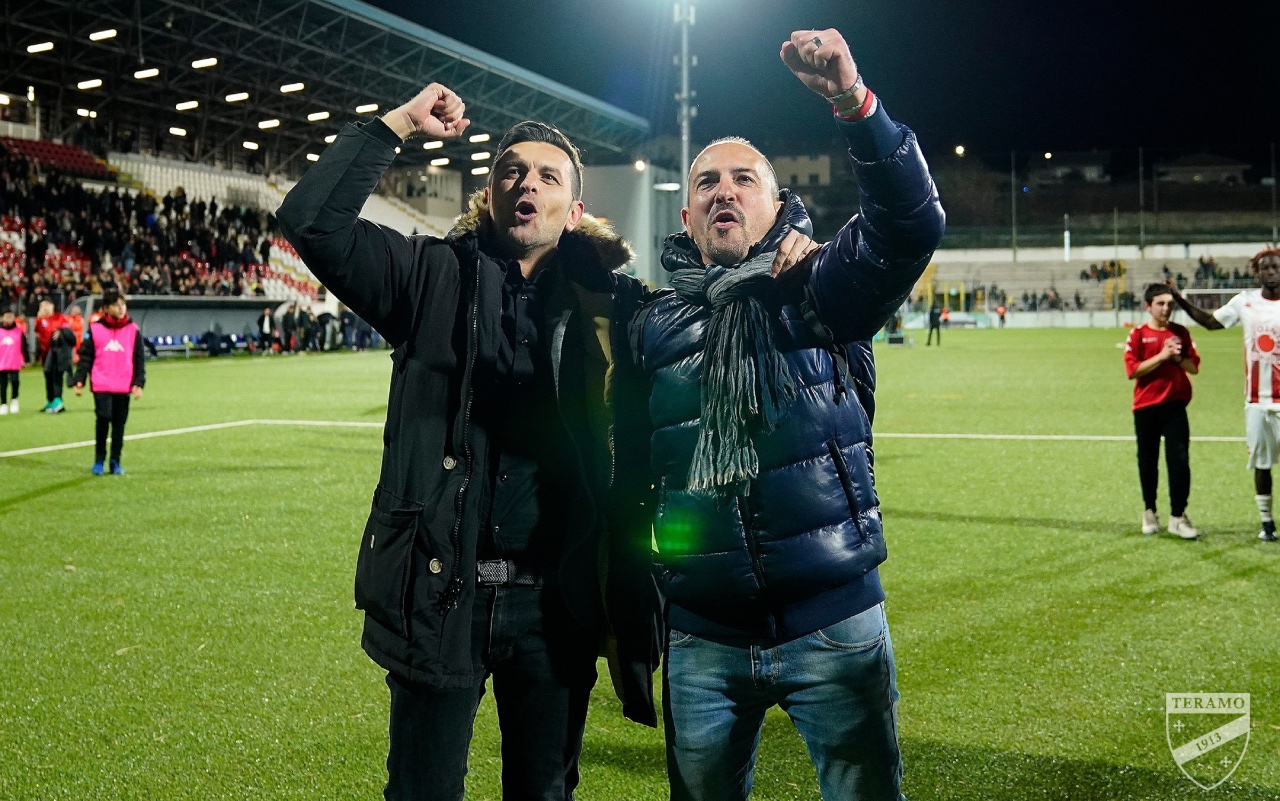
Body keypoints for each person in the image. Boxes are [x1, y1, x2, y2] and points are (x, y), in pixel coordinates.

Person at [275, 83, 770, 800]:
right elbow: (311, 222)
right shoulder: (426, 276)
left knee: (544, 792)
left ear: (575, 211)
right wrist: (398, 123)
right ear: (489, 195)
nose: (526, 183)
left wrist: (786, 243)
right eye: (511, 171)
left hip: (556, 607)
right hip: (440, 590)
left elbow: (719, 307)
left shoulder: (617, 307)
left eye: (546, 176)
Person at [630, 28, 944, 801]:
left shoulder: (821, 286)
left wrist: (853, 101)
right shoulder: (652, 324)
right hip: (702, 638)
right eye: (707, 182)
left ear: (775, 208)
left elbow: (911, 224)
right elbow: (634, 473)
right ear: (686, 214)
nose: (724, 191)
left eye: (744, 179)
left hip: (833, 624)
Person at [1170, 248, 1280, 541]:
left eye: (1276, 266)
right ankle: (1267, 523)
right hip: (1256, 401)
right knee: (1261, 464)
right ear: (1256, 273)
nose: (1271, 271)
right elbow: (1210, 322)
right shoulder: (1245, 301)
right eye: (1265, 267)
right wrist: (1179, 299)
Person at [1124, 284, 1200, 539]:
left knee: (1179, 462)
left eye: (1170, 304)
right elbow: (1132, 371)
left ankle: (1178, 516)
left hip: (1175, 407)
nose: (1166, 308)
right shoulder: (1137, 334)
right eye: (1160, 304)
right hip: (1145, 407)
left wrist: (1177, 358)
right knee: (1147, 461)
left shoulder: (1181, 333)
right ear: (1148, 306)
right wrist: (1163, 355)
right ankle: (1150, 511)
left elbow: (1194, 368)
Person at [73, 289, 145, 475]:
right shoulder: (95, 329)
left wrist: (139, 382)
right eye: (116, 305)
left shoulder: (133, 330)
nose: (121, 308)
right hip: (102, 384)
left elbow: (139, 358)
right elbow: (86, 357)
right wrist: (80, 379)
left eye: (123, 304)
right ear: (106, 308)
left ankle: (115, 461)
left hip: (123, 385)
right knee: (103, 419)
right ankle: (99, 459)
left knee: (119, 424)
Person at [35, 300, 76, 413]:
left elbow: (67, 331)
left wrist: (60, 331)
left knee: (57, 375)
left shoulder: (60, 317)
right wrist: (39, 318)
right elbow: (38, 331)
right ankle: (50, 400)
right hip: (45, 352)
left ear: (52, 306)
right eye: (41, 305)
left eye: (46, 305)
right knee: (48, 376)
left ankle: (58, 400)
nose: (44, 307)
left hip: (58, 352)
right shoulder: (41, 319)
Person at [0, 306, 29, 414]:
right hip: (2, 362)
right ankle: (3, 403)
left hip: (14, 361)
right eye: (7, 316)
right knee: (2, 384)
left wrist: (27, 359)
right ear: (2, 318)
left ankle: (14, 399)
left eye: (11, 316)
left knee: (15, 381)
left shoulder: (19, 331)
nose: (9, 318)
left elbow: (24, 346)